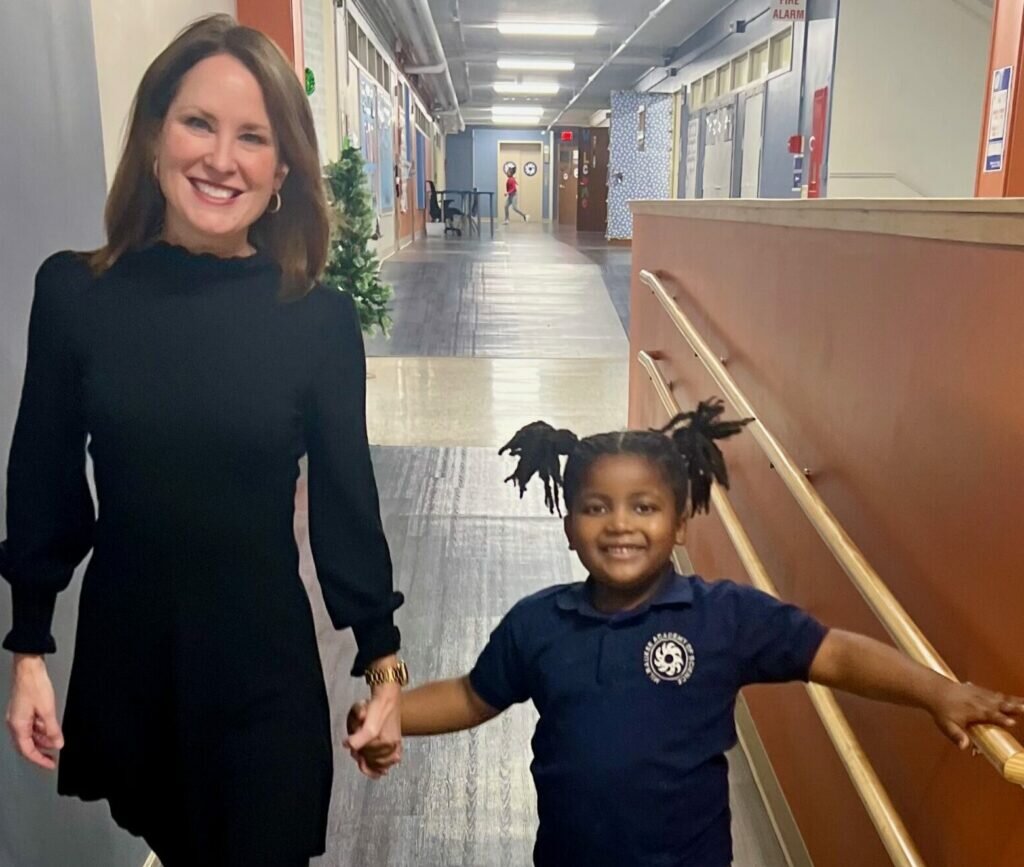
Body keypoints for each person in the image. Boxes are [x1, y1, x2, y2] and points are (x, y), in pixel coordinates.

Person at [2, 15, 407, 867]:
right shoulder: (77, 295)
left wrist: (382, 668)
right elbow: (42, 481)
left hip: (261, 671)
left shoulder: (318, 320)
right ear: (154, 136)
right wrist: (30, 647)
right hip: (136, 666)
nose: (222, 159)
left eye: (252, 136)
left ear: (283, 167)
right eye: (199, 124)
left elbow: (345, 504)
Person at [347, 399, 1023, 867]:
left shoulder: (722, 617)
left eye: (644, 506)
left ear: (680, 520)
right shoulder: (540, 623)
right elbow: (472, 695)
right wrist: (390, 712)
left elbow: (833, 652)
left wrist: (937, 690)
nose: (619, 524)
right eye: (596, 507)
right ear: (567, 523)